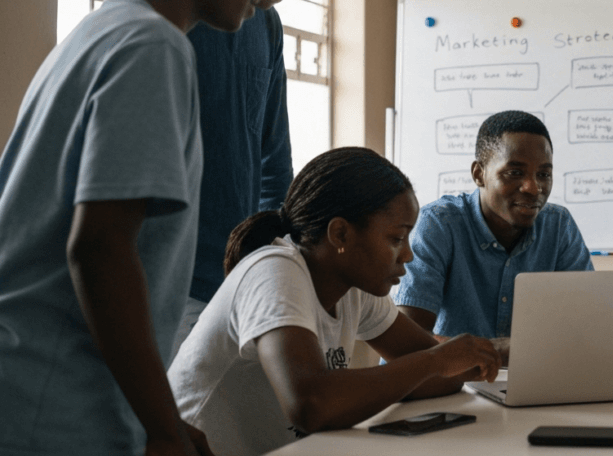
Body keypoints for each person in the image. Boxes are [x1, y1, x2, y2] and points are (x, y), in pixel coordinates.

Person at [0, 0, 269, 456]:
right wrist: (162, 425)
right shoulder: (154, 45)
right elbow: (99, 247)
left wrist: (161, 415)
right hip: (57, 404)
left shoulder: (97, 33)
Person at [167, 147, 500, 456]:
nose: (408, 255)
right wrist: (435, 361)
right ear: (340, 234)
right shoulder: (275, 271)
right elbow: (310, 405)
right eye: (396, 238)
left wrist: (449, 361)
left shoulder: (353, 288)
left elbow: (435, 378)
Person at [174, 0, 321, 353]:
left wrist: (272, 260)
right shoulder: (176, 21)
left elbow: (274, 159)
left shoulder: (269, 26)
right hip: (171, 283)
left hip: (239, 274)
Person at [394, 110, 594, 353]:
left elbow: (585, 327)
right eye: (515, 173)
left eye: (544, 174)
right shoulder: (438, 224)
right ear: (479, 174)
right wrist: (500, 350)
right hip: (450, 383)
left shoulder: (559, 226)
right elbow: (407, 343)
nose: (533, 188)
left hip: (531, 382)